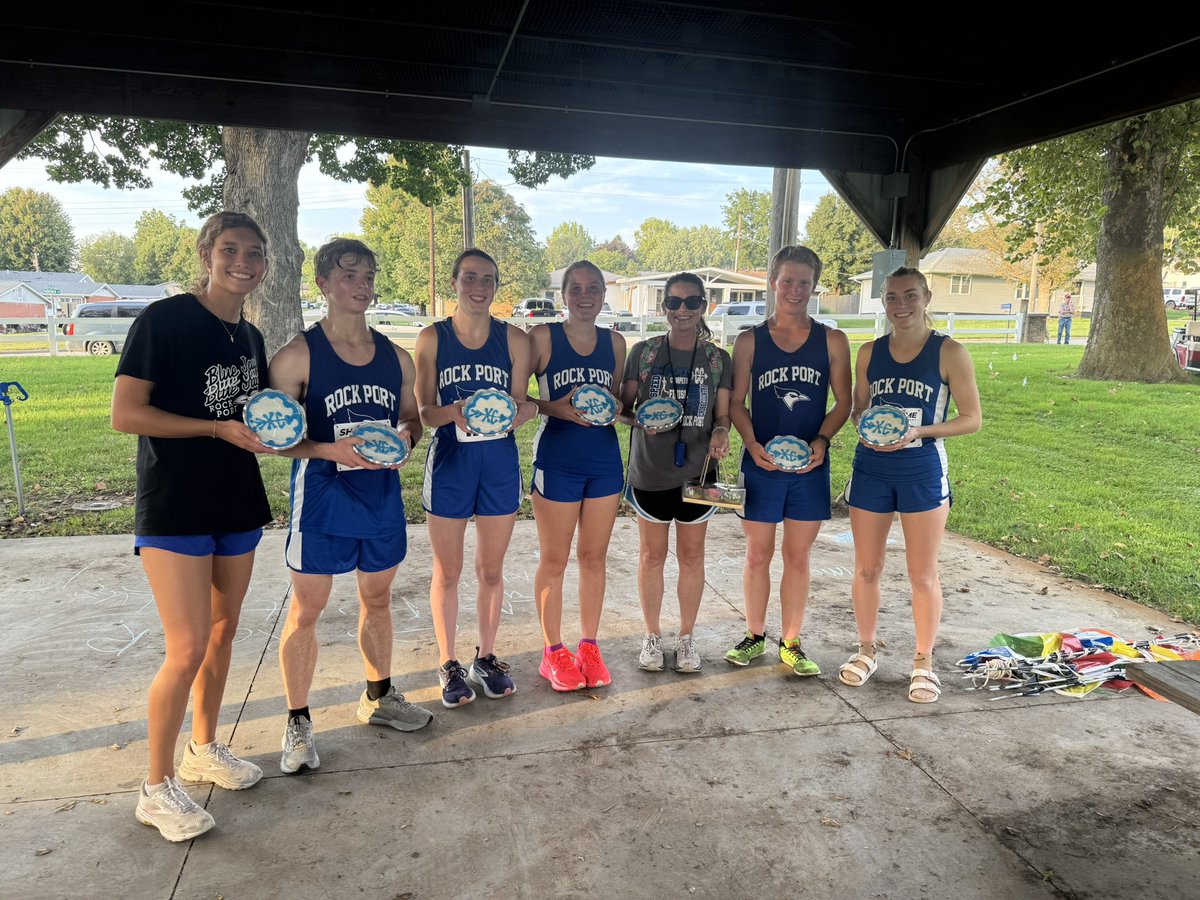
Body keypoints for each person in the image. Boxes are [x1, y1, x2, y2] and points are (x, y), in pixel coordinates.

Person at [112, 211, 275, 842]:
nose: (243, 262)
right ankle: (155, 789)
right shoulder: (164, 320)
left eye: (254, 253)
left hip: (236, 499)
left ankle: (203, 749)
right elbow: (127, 414)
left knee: (222, 632)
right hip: (175, 502)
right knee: (185, 648)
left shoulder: (250, 336)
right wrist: (213, 428)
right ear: (207, 254)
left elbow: (251, 414)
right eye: (230, 249)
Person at [269, 238, 431, 776]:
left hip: (379, 498)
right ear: (322, 283)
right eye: (348, 275)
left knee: (377, 599)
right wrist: (326, 450)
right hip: (321, 500)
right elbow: (274, 439)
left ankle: (378, 696)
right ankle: (297, 720)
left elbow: (413, 419)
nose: (361, 285)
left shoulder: (396, 357)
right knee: (307, 609)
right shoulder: (297, 355)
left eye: (368, 276)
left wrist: (406, 438)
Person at [841, 267, 982, 703]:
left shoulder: (949, 352)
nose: (900, 306)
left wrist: (919, 432)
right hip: (871, 468)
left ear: (926, 298)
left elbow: (971, 419)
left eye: (910, 296)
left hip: (921, 469)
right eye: (891, 297)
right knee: (867, 568)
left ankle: (923, 662)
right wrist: (866, 426)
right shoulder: (869, 352)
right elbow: (858, 409)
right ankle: (866, 650)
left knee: (922, 573)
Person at [415, 248, 538, 707]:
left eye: (487, 279)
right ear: (453, 283)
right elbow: (424, 412)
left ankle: (485, 657)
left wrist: (522, 413)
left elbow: (521, 403)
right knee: (448, 570)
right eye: (469, 277)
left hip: (498, 463)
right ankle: (447, 662)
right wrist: (454, 411)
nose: (479, 287)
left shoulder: (515, 340)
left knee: (490, 569)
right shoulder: (432, 338)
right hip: (451, 463)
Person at [726, 246, 852, 675]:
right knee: (757, 554)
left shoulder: (832, 340)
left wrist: (822, 440)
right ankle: (754, 635)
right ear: (772, 283)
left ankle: (792, 642)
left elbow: (843, 402)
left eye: (804, 282)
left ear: (814, 286)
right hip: (761, 464)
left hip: (809, 468)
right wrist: (751, 443)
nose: (795, 290)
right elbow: (736, 402)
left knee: (798, 557)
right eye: (787, 281)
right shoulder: (749, 340)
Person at [619, 272, 732, 673]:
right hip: (650, 470)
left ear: (704, 305)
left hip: (699, 474)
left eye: (692, 301)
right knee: (652, 556)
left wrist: (721, 432)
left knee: (692, 556)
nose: (682, 309)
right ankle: (652, 635)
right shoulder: (644, 353)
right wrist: (638, 421)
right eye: (674, 302)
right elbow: (622, 408)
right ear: (663, 306)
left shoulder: (718, 359)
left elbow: (722, 416)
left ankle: (686, 637)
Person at [528, 261, 627, 691]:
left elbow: (617, 401)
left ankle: (588, 645)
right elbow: (518, 398)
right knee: (554, 559)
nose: (585, 296)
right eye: (576, 288)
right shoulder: (542, 337)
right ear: (563, 294)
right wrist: (555, 407)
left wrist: (624, 409)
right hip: (558, 459)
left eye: (593, 288)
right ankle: (552, 651)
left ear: (604, 293)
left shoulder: (615, 342)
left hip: (604, 460)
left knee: (593, 558)